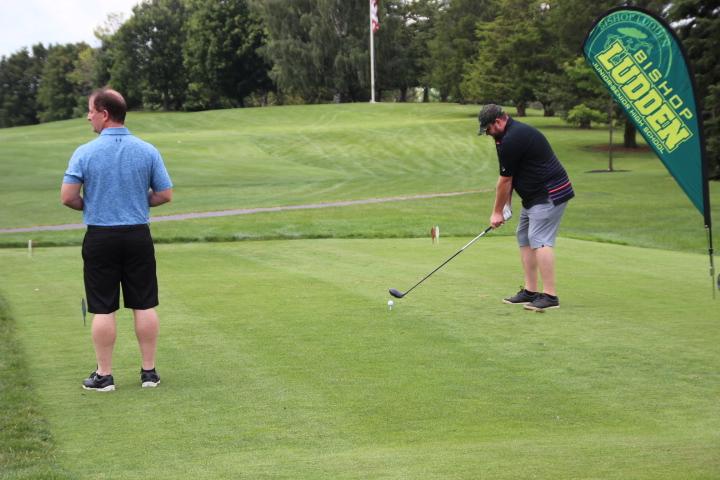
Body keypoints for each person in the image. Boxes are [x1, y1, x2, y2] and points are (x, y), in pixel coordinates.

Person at [61, 88, 173, 391]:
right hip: (137, 235)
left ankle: (105, 375)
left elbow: (68, 197)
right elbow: (165, 194)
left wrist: (94, 204)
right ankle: (149, 373)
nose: (88, 117)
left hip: (101, 236)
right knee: (144, 304)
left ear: (105, 114)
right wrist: (136, 201)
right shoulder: (147, 150)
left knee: (103, 307)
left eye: (91, 111)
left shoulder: (85, 152)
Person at [479, 104, 574, 312]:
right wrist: (507, 206)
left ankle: (550, 296)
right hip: (533, 195)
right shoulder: (502, 137)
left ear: (498, 122)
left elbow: (504, 181)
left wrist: (497, 212)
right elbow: (511, 175)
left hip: (550, 192)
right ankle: (530, 291)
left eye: (488, 129)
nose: (487, 133)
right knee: (524, 236)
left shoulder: (513, 138)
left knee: (539, 239)